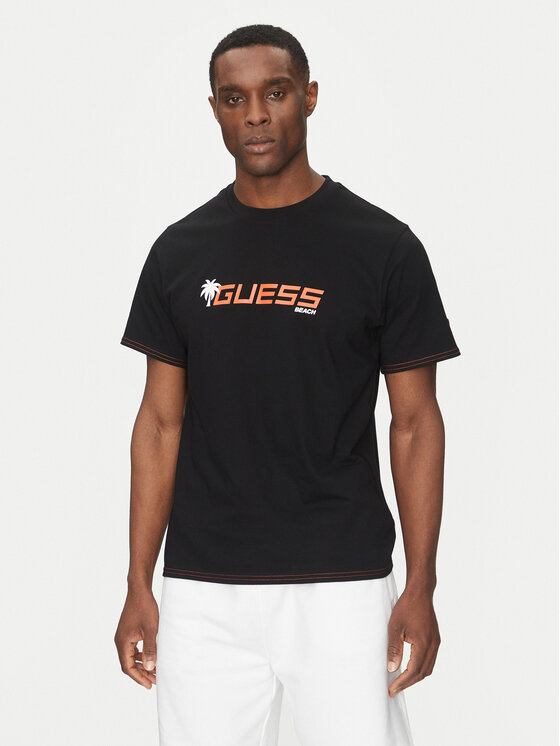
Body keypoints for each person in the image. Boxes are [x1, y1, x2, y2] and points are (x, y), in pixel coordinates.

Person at [114, 23, 461, 746]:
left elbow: (415, 424)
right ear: (214, 109)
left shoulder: (383, 248)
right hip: (205, 586)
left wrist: (420, 584)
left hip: (342, 579)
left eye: (274, 93)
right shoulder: (179, 253)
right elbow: (159, 424)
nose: (255, 115)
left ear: (309, 96)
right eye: (234, 98)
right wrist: (138, 581)